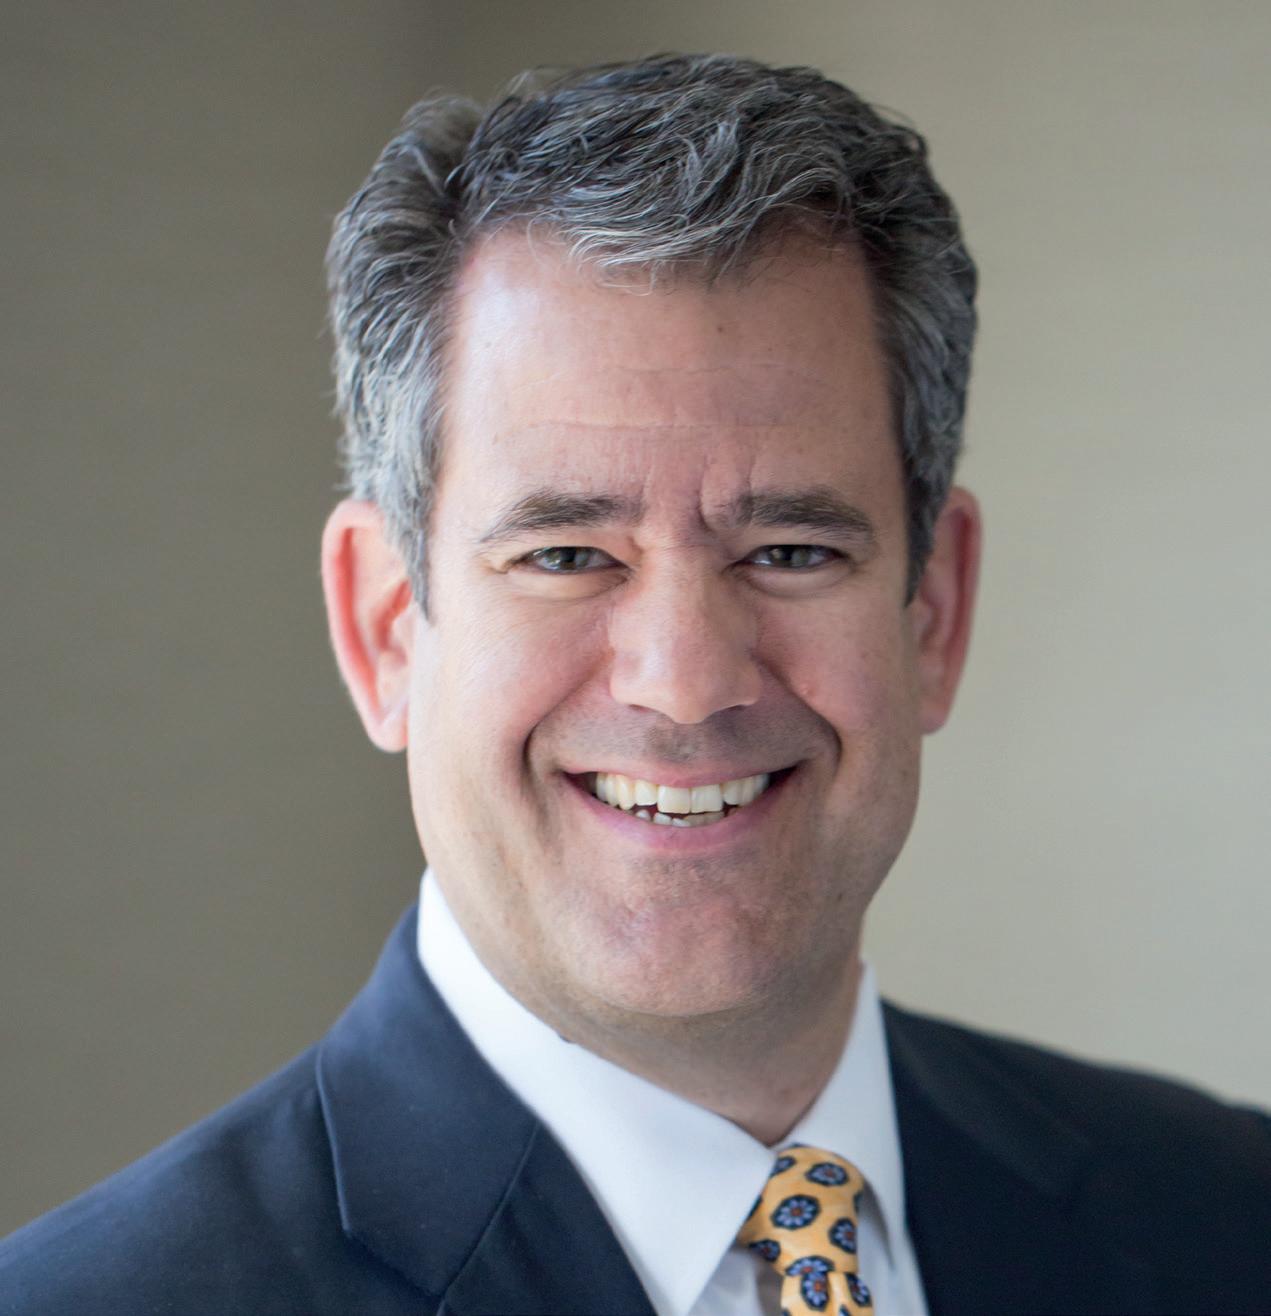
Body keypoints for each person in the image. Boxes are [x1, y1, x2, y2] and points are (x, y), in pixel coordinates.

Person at [2, 51, 1267, 1316]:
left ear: (931, 612)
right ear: (385, 628)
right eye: (565, 554)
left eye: (790, 550)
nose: (682, 682)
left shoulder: (1229, 1216)